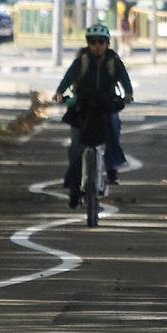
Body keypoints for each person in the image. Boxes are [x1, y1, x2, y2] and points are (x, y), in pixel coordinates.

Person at [56, 22, 132, 208]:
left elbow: (124, 78)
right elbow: (68, 77)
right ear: (88, 44)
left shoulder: (113, 60)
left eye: (101, 42)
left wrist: (128, 93)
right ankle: (74, 188)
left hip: (106, 104)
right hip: (83, 105)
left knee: (114, 126)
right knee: (76, 148)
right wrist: (59, 92)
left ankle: (112, 167)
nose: (97, 46)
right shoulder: (81, 60)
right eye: (92, 42)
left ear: (107, 43)